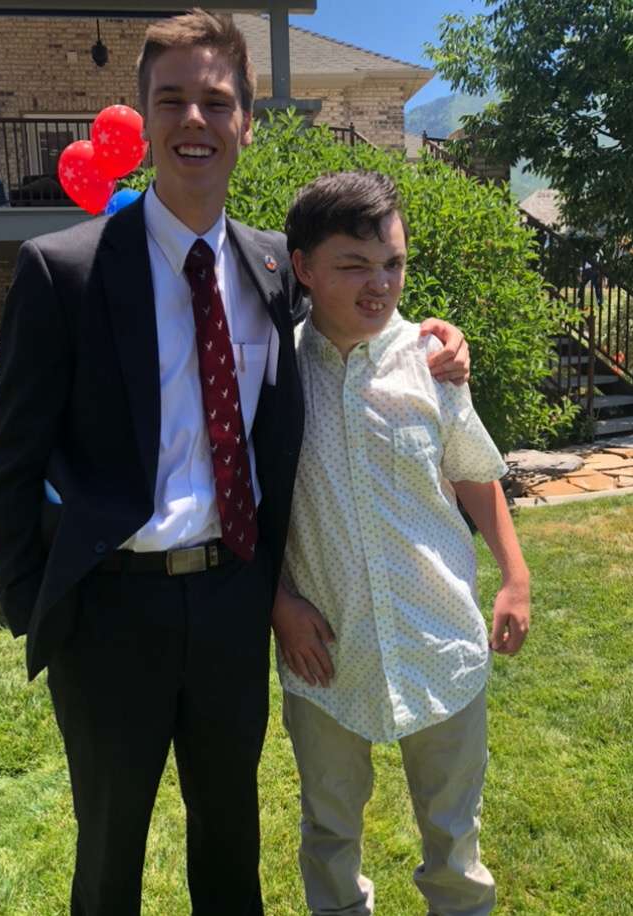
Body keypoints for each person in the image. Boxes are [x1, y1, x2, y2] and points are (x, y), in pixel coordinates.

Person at [0, 12, 470, 916]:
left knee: (230, 845)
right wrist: (36, 604)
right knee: (108, 856)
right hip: (108, 615)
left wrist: (435, 339)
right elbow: (12, 456)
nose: (195, 120)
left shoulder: (268, 270)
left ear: (247, 120)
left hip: (229, 608)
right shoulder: (63, 272)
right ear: (144, 117)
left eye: (216, 100)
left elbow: (352, 319)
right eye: (173, 100)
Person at [272, 171, 531, 916]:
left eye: (393, 263)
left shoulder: (433, 363)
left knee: (455, 839)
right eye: (354, 265)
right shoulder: (274, 374)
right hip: (326, 650)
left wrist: (514, 577)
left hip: (439, 637)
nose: (379, 283)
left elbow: (475, 475)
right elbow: (250, 508)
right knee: (328, 832)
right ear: (304, 269)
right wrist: (277, 603)